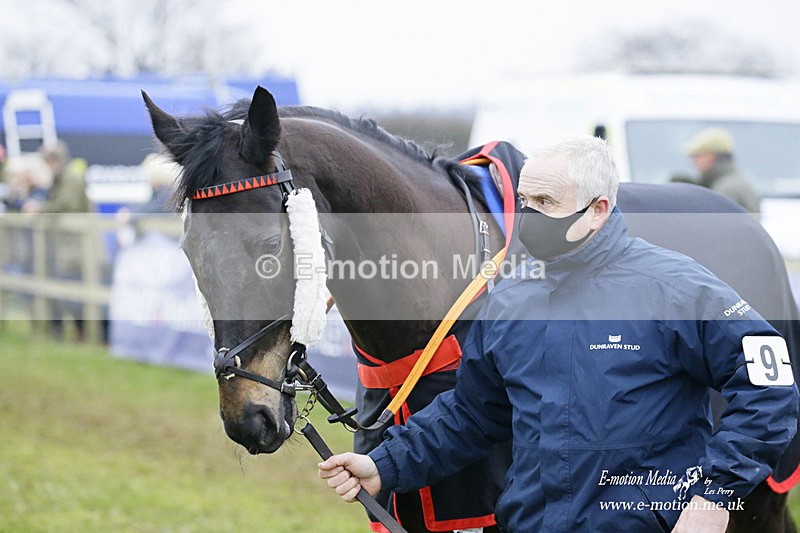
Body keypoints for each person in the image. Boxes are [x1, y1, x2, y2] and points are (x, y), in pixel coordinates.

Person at [318, 134, 799, 532]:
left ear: (597, 209)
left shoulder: (677, 288)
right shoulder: (508, 299)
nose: (529, 217)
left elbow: (771, 388)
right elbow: (469, 416)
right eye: (525, 201)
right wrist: (385, 465)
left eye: (546, 202)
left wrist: (714, 497)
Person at [683, 127, 760, 215]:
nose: (693, 162)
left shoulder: (726, 190)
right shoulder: (733, 182)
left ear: (710, 157)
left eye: (696, 156)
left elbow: (714, 226)